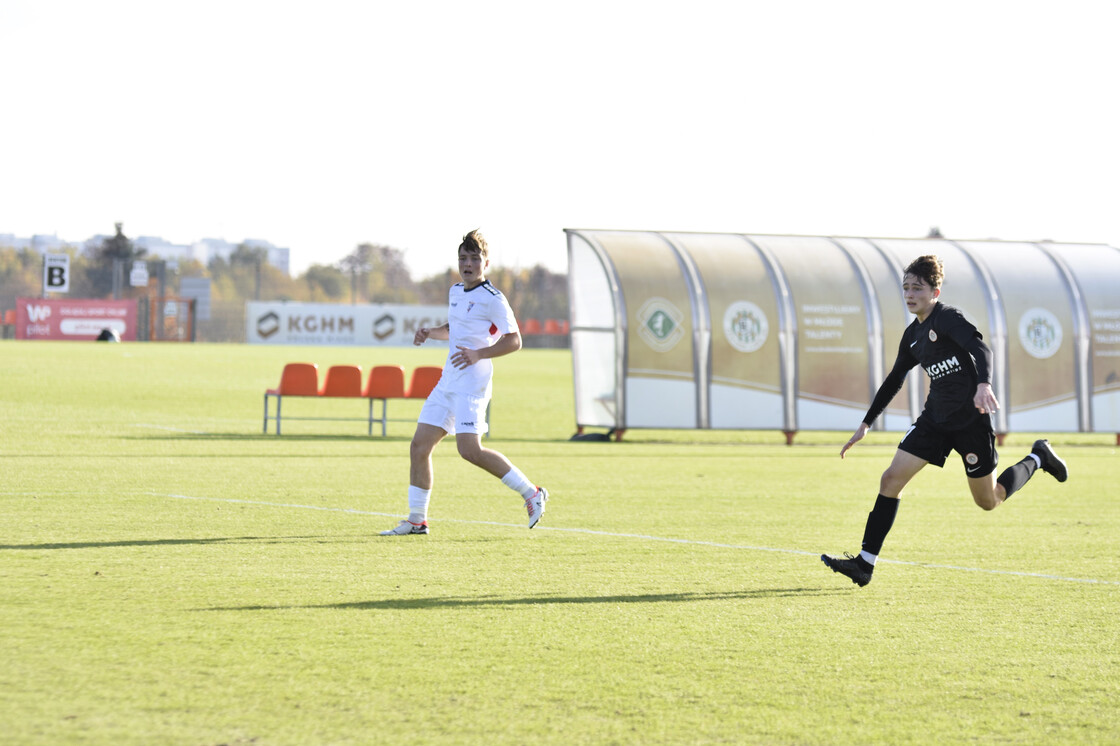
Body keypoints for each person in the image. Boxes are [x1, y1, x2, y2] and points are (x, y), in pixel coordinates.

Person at [821, 254, 1067, 586]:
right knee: (891, 479)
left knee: (989, 500)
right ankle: (865, 564)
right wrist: (866, 423)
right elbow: (895, 379)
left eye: (917, 288)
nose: (909, 294)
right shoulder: (912, 336)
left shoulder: (948, 318)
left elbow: (981, 350)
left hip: (970, 422)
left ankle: (1038, 456)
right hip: (934, 420)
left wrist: (983, 385)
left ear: (934, 292)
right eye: (905, 288)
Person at [380, 230, 549, 536]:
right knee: (419, 446)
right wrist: (430, 332)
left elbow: (515, 341)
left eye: (474, 258)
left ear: (486, 262)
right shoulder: (456, 291)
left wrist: (478, 353)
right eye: (463, 258)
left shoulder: (494, 299)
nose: (467, 264)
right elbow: (454, 327)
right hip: (448, 381)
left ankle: (532, 492)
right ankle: (417, 521)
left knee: (469, 450)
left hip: (473, 384)